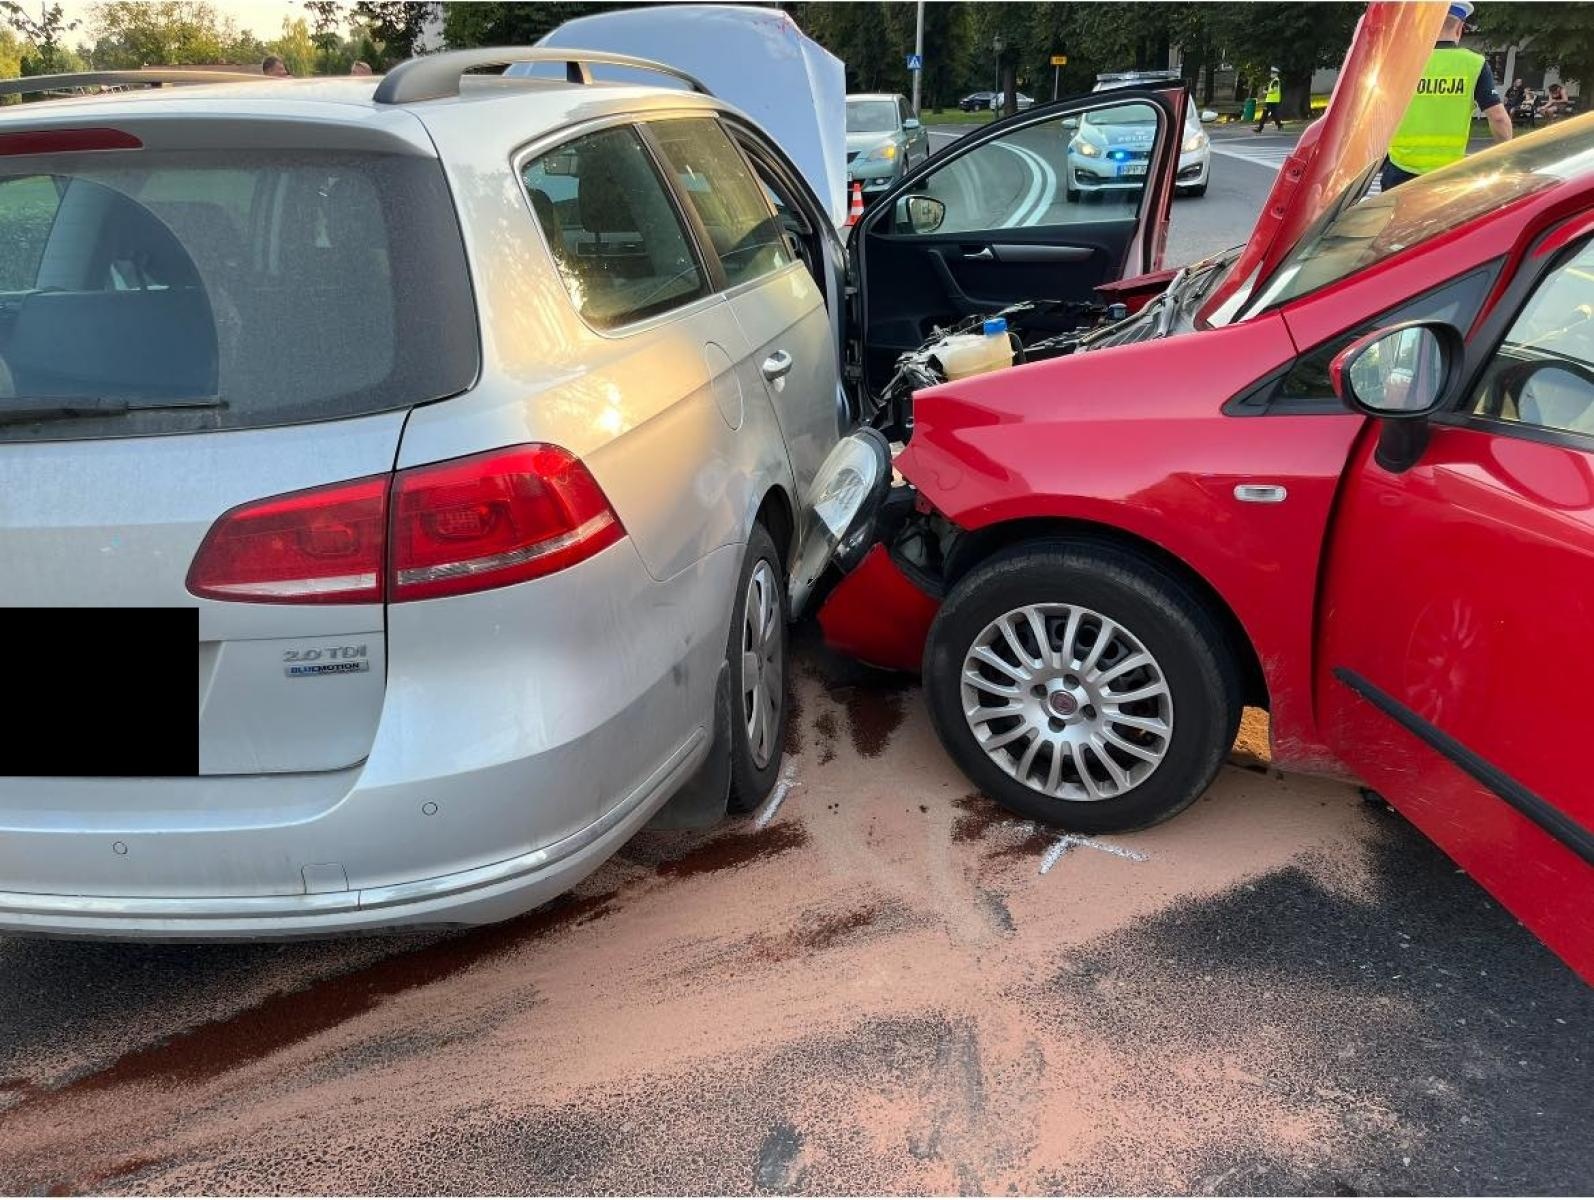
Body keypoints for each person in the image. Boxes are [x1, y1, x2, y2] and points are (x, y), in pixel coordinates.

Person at [1381, 1, 1511, 191]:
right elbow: (1499, 118)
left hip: (1400, 170)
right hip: (1447, 174)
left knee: (1397, 221)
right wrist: (1507, 158)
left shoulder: (1401, 62)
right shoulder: (1474, 64)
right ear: (1459, 28)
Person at [1254, 67, 1283, 132]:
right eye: (1271, 73)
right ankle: (1260, 128)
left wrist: (1267, 92)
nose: (1271, 74)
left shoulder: (1276, 81)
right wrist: (1265, 90)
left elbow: (1274, 90)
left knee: (1273, 114)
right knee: (1265, 114)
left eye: (1272, 73)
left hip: (1273, 101)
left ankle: (1279, 125)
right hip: (1269, 101)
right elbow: (1267, 89)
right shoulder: (1272, 81)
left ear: (1276, 74)